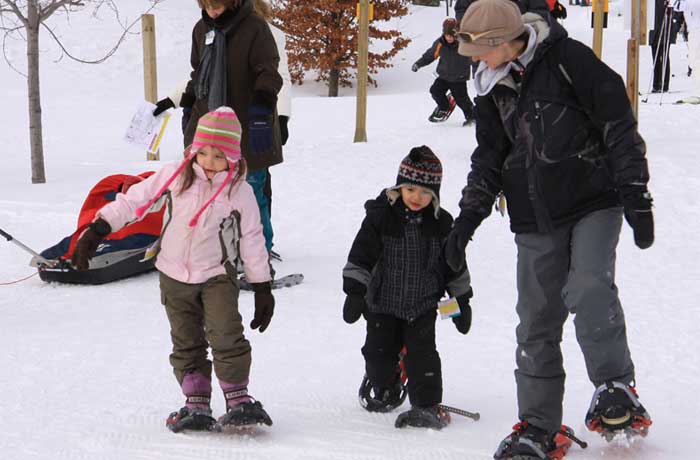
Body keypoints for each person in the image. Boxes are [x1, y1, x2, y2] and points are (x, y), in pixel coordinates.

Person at [447, 0, 654, 457]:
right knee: (536, 321)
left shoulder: (569, 60)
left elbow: (618, 124)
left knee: (588, 286)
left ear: (501, 41)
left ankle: (615, 388)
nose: (473, 60)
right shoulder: (491, 86)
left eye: (477, 51)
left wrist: (635, 191)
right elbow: (488, 159)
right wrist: (466, 221)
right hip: (533, 217)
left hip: (593, 202)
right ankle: (539, 426)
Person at [72, 107, 276, 433]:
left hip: (217, 276)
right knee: (186, 340)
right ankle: (195, 401)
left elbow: (252, 239)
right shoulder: (177, 174)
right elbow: (135, 200)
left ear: (234, 157)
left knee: (227, 334)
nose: (209, 161)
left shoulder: (240, 191)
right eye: (203, 152)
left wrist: (262, 286)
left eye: (219, 155)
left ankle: (238, 397)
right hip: (172, 275)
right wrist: (99, 228)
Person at [342, 146, 473, 430]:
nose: (417, 198)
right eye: (411, 189)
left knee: (423, 356)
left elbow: (454, 267)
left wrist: (460, 302)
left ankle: (426, 405)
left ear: (435, 195)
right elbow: (361, 254)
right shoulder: (381, 217)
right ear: (400, 186)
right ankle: (387, 383)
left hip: (422, 305)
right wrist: (355, 291)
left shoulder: (441, 225)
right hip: (381, 303)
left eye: (425, 193)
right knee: (377, 356)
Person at [155, 0, 283, 256]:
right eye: (207, 6)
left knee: (252, 191)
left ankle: (260, 253)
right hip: (209, 125)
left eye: (217, 6)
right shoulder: (201, 29)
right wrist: (189, 102)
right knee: (207, 191)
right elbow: (198, 71)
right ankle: (218, 249)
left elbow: (268, 72)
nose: (211, 12)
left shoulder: (255, 28)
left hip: (247, 123)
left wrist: (260, 111)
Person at [253, 0, 292, 259]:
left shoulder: (273, 34)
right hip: (229, 117)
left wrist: (283, 116)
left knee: (259, 181)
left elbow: (283, 77)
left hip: (261, 116)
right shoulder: (223, 31)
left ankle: (261, 244)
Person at [412, 18, 476, 125]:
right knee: (435, 91)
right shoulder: (440, 43)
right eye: (447, 35)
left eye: (452, 35)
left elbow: (475, 55)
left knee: (462, 100)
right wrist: (418, 64)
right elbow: (430, 55)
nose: (449, 38)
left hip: (459, 78)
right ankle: (444, 107)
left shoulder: (464, 43)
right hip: (444, 76)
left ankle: (472, 117)